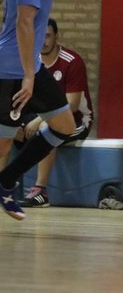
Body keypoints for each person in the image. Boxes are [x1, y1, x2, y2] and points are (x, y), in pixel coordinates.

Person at [0, 0, 75, 220]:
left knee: (64, 125)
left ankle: (6, 180)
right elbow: (23, 21)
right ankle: (6, 183)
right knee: (3, 142)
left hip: (24, 63)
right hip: (16, 69)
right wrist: (29, 75)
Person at [9, 18, 93, 207]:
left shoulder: (72, 62)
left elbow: (71, 105)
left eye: (48, 36)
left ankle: (40, 191)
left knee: (50, 128)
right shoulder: (30, 63)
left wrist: (39, 121)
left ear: (57, 37)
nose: (44, 41)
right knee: (7, 128)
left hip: (77, 121)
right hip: (40, 116)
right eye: (40, 36)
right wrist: (18, 122)